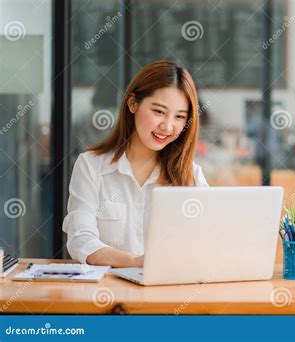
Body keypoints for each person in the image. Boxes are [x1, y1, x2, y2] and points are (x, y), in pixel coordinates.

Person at [62, 60, 208, 267]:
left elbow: (206, 242)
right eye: (159, 111)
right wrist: (137, 261)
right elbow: (81, 240)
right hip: (108, 292)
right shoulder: (91, 166)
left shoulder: (191, 175)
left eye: (179, 117)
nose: (167, 126)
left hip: (168, 292)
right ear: (132, 104)